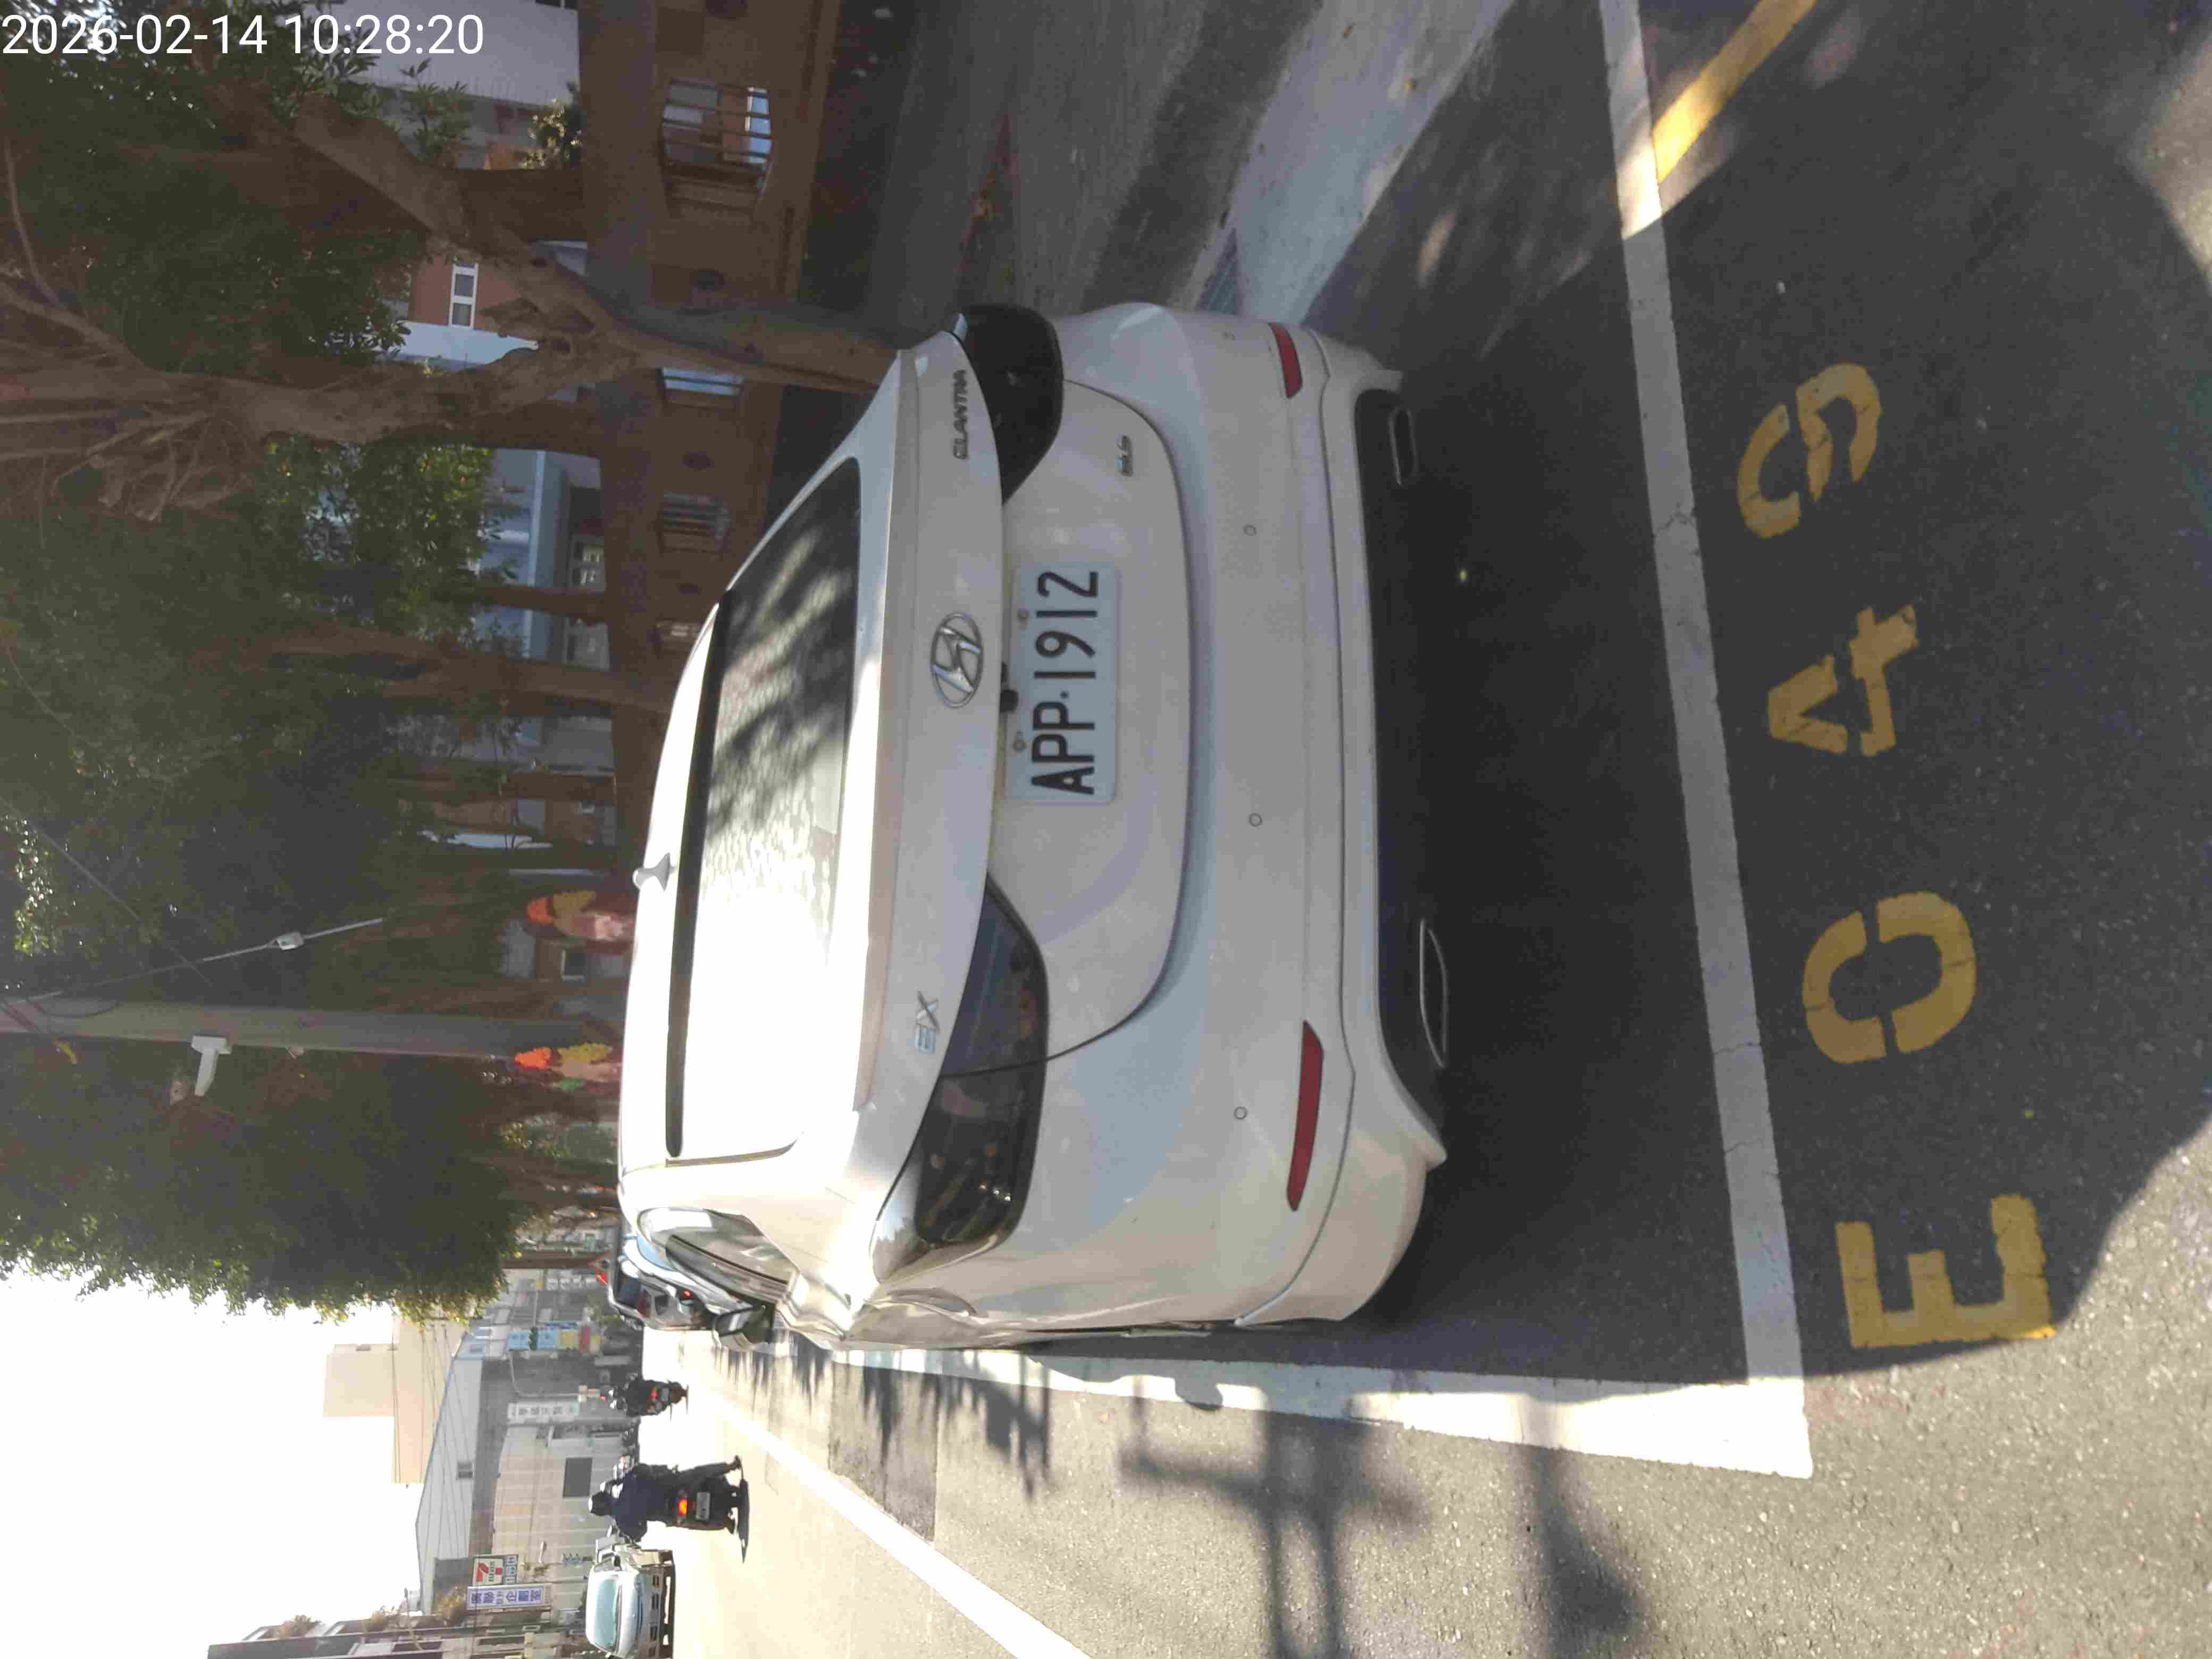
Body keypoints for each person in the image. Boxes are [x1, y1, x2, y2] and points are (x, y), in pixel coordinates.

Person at [590, 1457, 745, 1541]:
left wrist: (642, 1519)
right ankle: (730, 1466)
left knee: (690, 1523)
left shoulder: (620, 1519)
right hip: (669, 1486)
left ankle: (725, 1523)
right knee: (697, 1473)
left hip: (666, 1512)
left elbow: (640, 1533)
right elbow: (642, 1469)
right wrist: (655, 1473)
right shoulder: (622, 1484)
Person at [603, 1375, 686, 1416]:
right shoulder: (630, 1404)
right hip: (653, 1397)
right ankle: (675, 1393)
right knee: (661, 1390)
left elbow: (639, 1379)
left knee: (661, 1386)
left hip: (653, 1391)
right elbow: (642, 1411)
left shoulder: (629, 1387)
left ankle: (675, 1391)